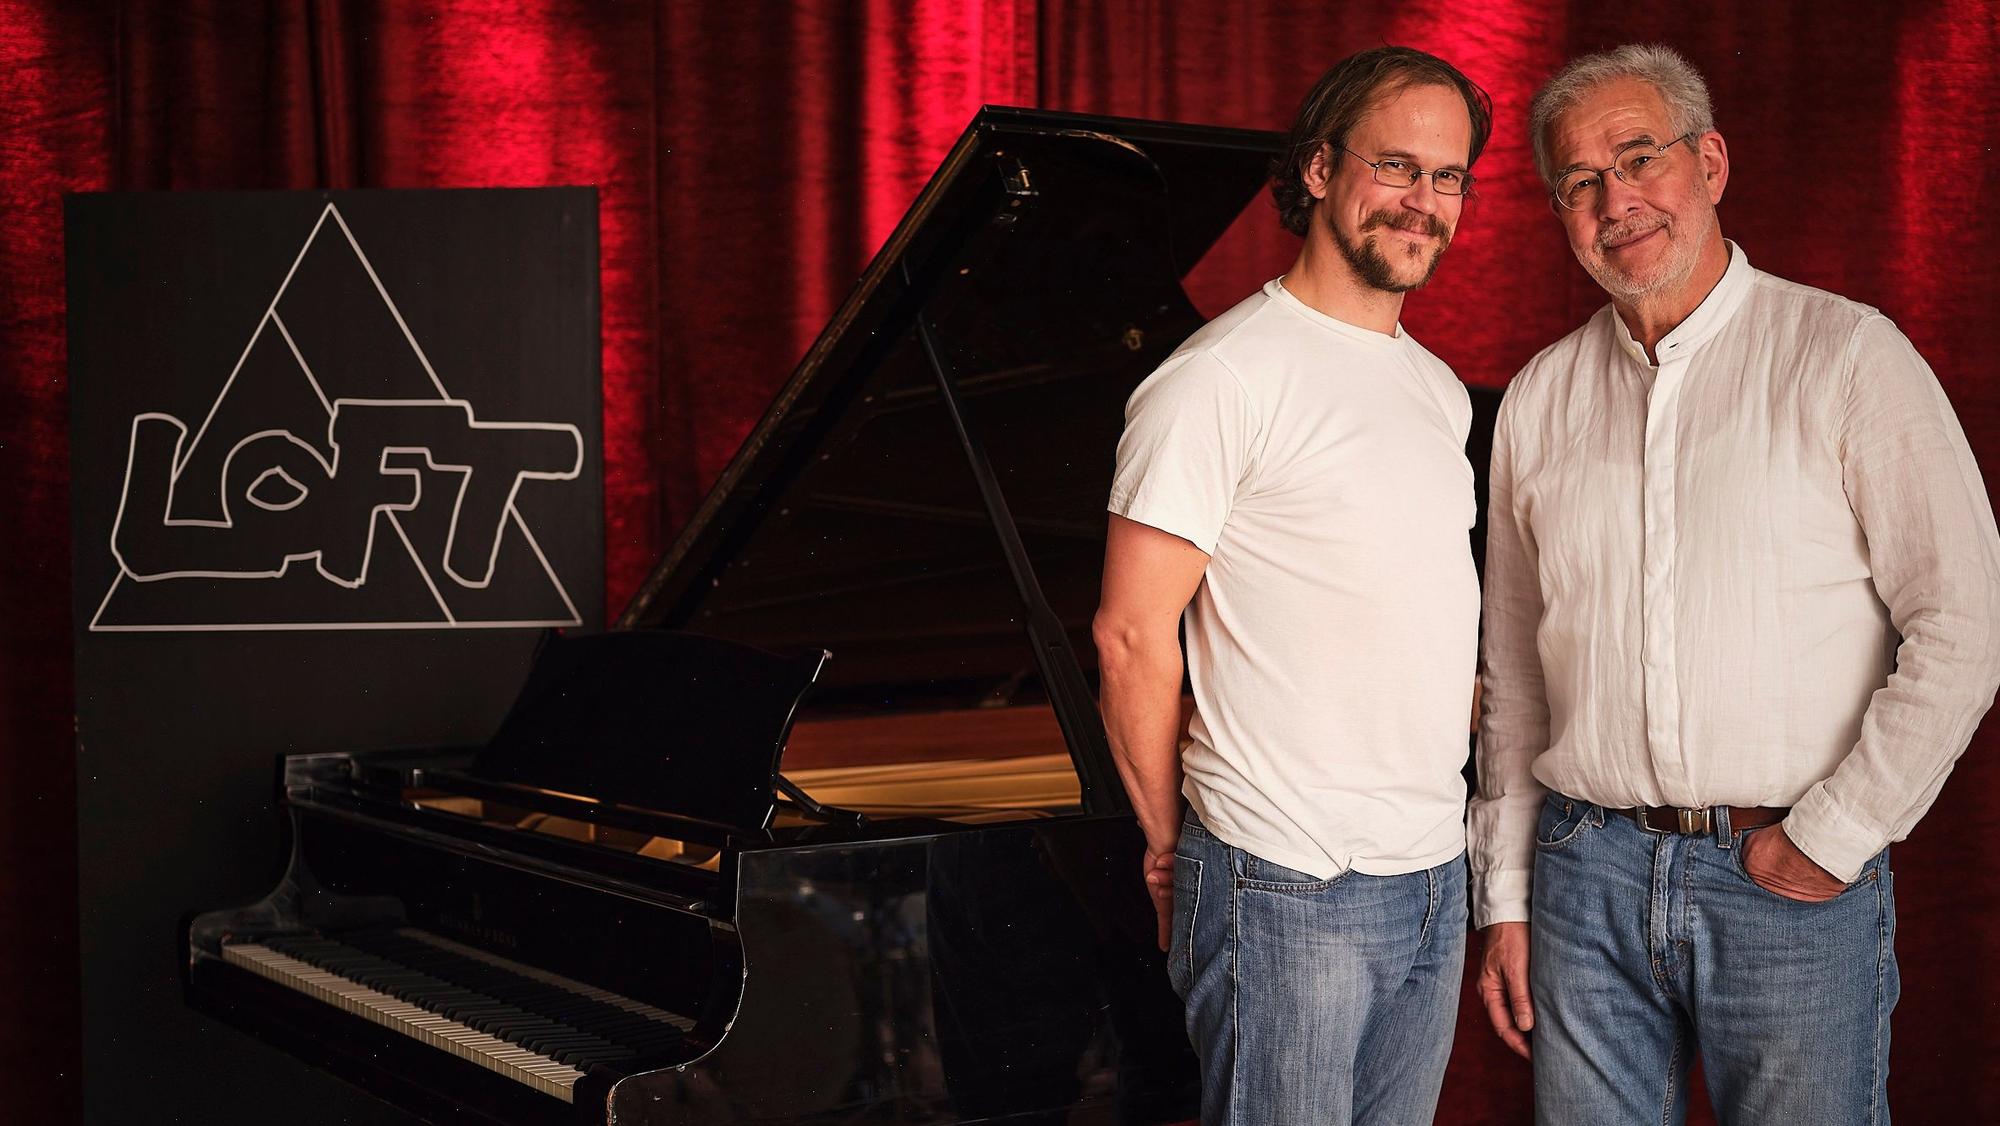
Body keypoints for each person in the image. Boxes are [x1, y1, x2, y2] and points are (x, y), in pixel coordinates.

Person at [1470, 42, 2000, 1124]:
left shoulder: (1847, 355)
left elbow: (1963, 624)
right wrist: (1508, 894)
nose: (1614, 200)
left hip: (1784, 877)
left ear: (1708, 163)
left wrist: (1832, 837)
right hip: (1582, 881)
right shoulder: (1537, 399)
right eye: (1578, 181)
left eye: (1639, 158)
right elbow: (1514, 676)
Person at [1092, 45, 1491, 1125]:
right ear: (1318, 168)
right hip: (1282, 880)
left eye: (1447, 177)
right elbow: (1129, 636)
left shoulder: (1438, 391)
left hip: (1430, 873)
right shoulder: (1217, 380)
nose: (1421, 202)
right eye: (1395, 166)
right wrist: (1169, 844)